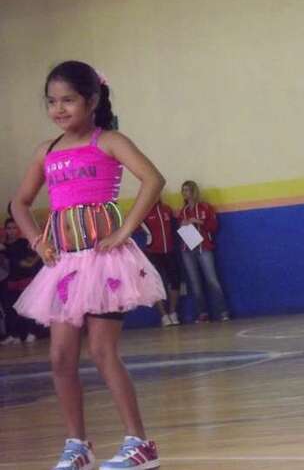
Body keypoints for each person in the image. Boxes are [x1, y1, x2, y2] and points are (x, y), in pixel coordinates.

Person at [11, 61, 165, 469]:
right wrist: (37, 240)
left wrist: (125, 230)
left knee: (101, 349)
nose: (59, 109)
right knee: (60, 357)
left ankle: (139, 443)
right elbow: (19, 203)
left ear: (92, 100)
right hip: (64, 268)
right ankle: (77, 445)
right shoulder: (45, 151)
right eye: (51, 102)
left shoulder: (109, 141)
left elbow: (152, 179)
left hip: (104, 265)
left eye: (68, 100)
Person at [178, 180, 230, 322]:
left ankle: (223, 311)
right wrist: (183, 224)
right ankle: (202, 313)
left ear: (193, 191)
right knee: (195, 283)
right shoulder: (183, 211)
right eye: (183, 190)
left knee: (212, 280)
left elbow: (214, 226)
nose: (184, 193)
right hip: (187, 249)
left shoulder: (205, 207)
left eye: (187, 190)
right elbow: (181, 229)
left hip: (204, 248)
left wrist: (198, 222)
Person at [1, 218, 43, 344]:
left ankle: (32, 332)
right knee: (11, 309)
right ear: (5, 230)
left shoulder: (24, 242)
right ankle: (15, 335)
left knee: (28, 307)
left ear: (18, 229)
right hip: (10, 281)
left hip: (25, 279)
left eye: (14, 228)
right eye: (9, 228)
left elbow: (36, 254)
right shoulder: (4, 246)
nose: (12, 231)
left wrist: (30, 263)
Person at [140, 198, 181, 326]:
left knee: (175, 281)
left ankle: (173, 312)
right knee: (156, 283)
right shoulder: (144, 212)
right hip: (153, 253)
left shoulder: (167, 209)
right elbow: (134, 228)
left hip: (169, 251)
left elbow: (175, 227)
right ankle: (163, 315)